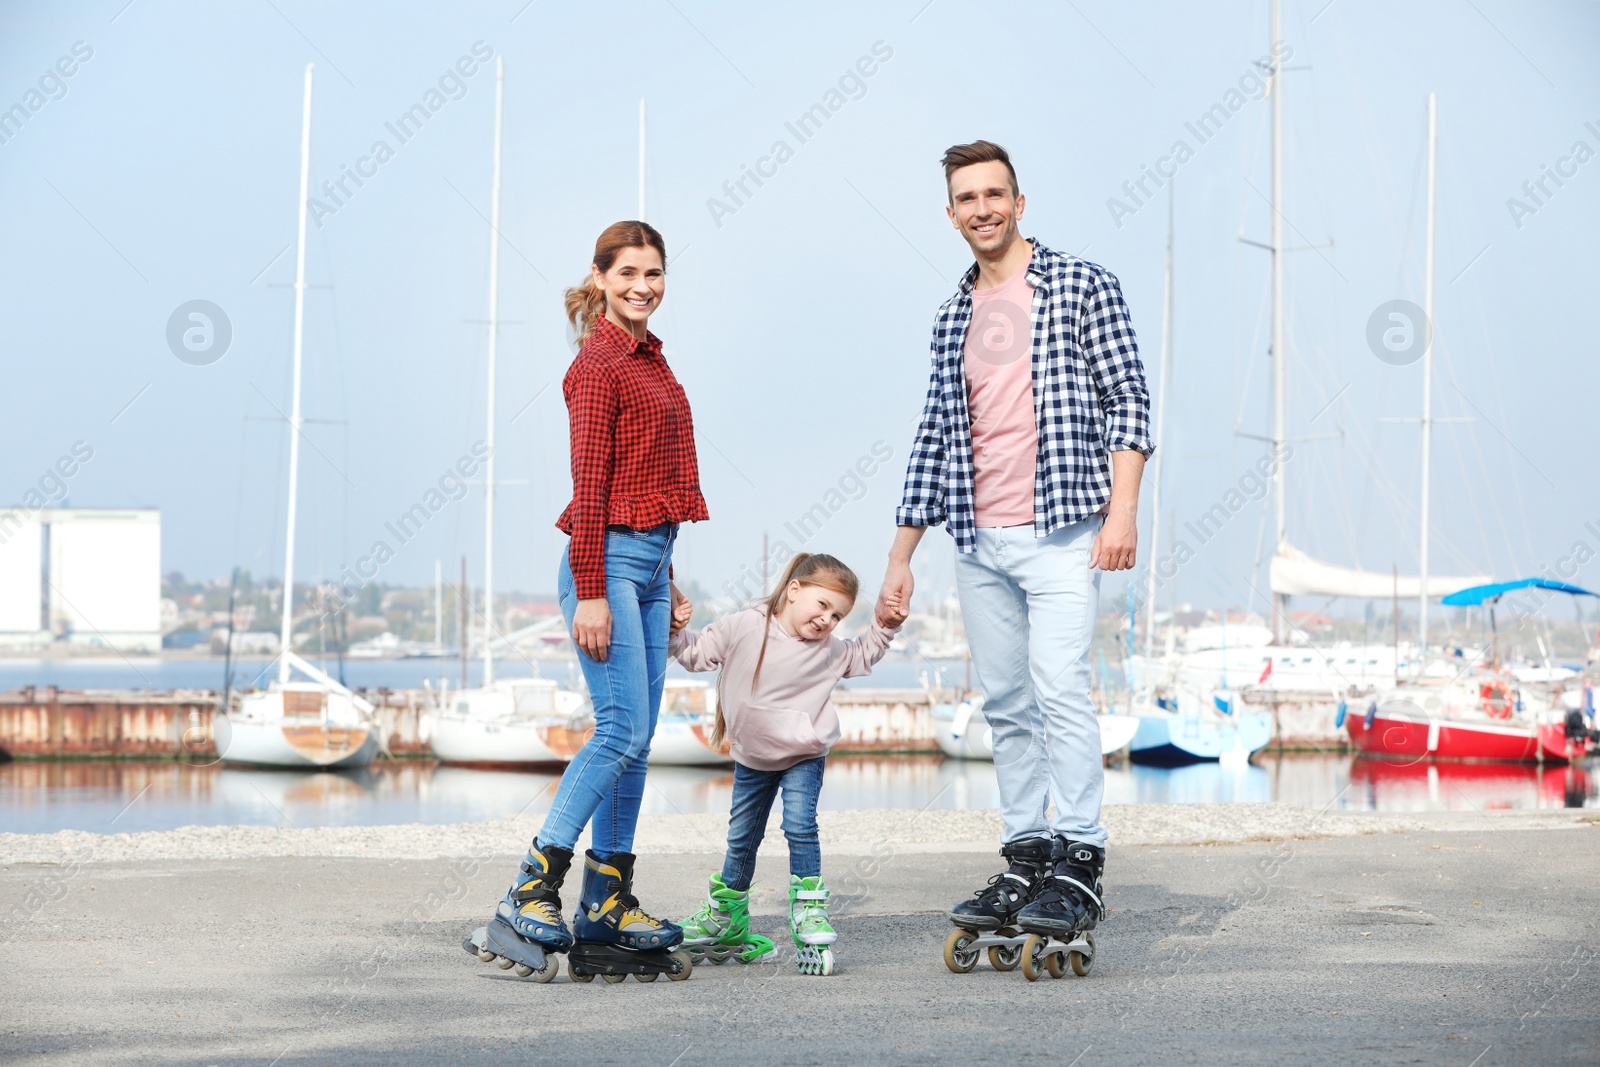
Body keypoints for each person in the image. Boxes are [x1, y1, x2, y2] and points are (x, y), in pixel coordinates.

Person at [878, 141, 1152, 949]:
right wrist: (901, 554)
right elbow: (934, 435)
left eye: (995, 193)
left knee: (1059, 687)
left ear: (1020, 202)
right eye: (968, 198)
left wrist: (1123, 512)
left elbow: (1129, 397)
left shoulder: (1079, 284)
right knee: (1004, 701)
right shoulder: (953, 313)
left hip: (1066, 529)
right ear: (952, 212)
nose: (983, 208)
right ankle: (1028, 854)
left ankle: (1080, 860)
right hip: (976, 537)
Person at [473, 220, 709, 984]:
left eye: (655, 272)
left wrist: (666, 580)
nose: (644, 285)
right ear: (600, 276)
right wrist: (595, 592)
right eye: (629, 273)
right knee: (619, 730)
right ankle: (527, 890)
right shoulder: (598, 364)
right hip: (603, 564)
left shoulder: (651, 358)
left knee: (638, 742)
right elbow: (593, 484)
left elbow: (653, 483)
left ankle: (605, 906)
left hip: (646, 564)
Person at [667, 553, 904, 976]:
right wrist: (673, 625)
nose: (827, 620)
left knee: (799, 825)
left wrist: (886, 623)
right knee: (742, 838)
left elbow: (865, 652)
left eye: (838, 615)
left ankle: (809, 910)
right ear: (794, 590)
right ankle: (726, 916)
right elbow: (694, 654)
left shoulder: (830, 652)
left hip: (804, 754)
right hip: (753, 757)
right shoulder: (745, 626)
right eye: (822, 605)